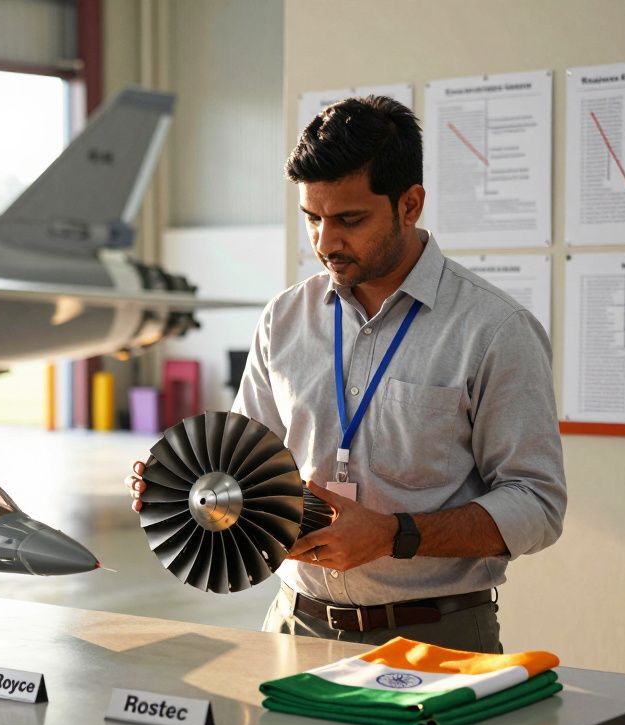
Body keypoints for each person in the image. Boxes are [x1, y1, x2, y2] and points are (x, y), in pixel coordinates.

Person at [127, 96, 566, 652]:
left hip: (436, 639)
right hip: (293, 627)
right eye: (313, 217)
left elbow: (538, 504)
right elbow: (243, 465)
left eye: (349, 220)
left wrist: (395, 536)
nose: (325, 241)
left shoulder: (495, 329)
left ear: (411, 205)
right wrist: (182, 487)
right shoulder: (284, 319)